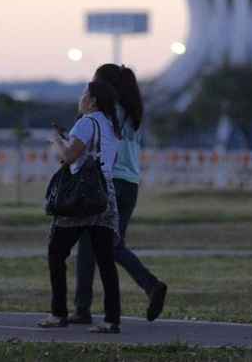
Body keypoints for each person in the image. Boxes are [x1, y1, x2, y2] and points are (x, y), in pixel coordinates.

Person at [71, 64, 167, 324]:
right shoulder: (133, 114)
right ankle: (85, 307)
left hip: (107, 183)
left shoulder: (102, 113)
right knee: (104, 244)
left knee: (98, 245)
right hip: (130, 185)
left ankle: (149, 285)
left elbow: (80, 146)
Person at [40, 81, 122, 333]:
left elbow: (69, 156)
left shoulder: (86, 122)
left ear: (93, 100)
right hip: (104, 195)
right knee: (106, 260)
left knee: (56, 252)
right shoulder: (111, 125)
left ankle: (58, 313)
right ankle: (111, 320)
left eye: (84, 94)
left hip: (80, 198)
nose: (81, 98)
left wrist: (56, 140)